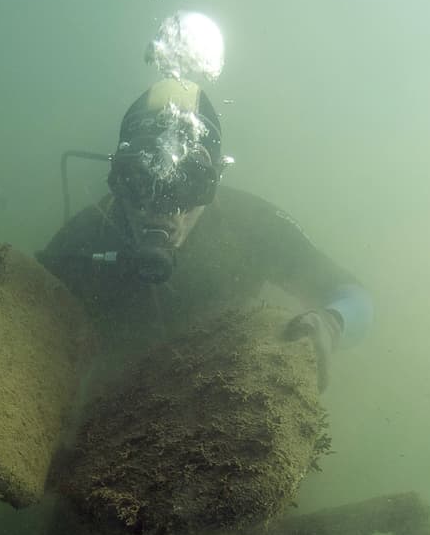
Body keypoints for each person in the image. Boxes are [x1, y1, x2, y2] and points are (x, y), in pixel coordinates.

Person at [38, 78, 372, 391]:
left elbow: (351, 294)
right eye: (140, 180)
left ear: (214, 180)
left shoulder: (251, 225)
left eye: (187, 184)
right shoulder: (82, 238)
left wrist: (332, 324)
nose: (160, 207)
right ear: (117, 177)